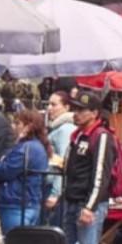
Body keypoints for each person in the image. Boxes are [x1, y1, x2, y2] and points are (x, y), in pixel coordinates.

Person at [62, 91, 116, 244]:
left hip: (88, 202)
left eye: (81, 110)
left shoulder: (101, 136)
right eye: (75, 109)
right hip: (72, 199)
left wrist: (90, 206)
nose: (77, 114)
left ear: (94, 113)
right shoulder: (77, 135)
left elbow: (100, 176)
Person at [0, 110, 50, 233]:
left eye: (17, 123)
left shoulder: (26, 148)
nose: (13, 127)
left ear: (28, 126)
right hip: (27, 203)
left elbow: (5, 171)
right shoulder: (35, 146)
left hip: (16, 204)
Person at [44, 91, 76, 227]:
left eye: (54, 104)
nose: (49, 108)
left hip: (56, 188)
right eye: (48, 104)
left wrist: (55, 194)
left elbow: (63, 163)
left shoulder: (65, 129)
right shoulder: (58, 128)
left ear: (67, 107)